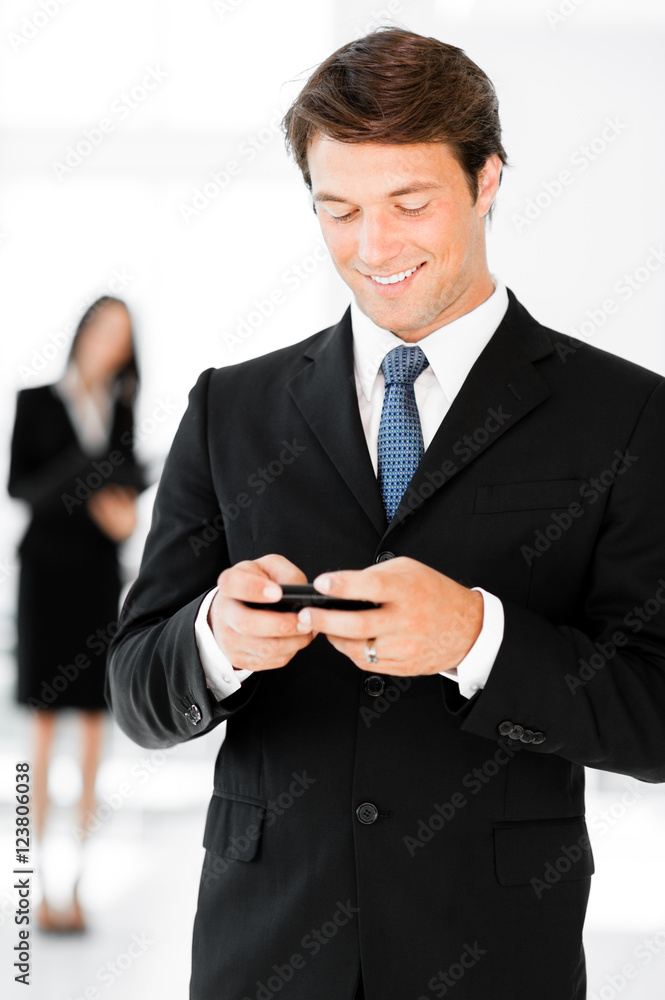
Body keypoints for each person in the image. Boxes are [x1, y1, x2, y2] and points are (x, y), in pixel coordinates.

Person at [106, 28, 665, 1000]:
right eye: (338, 210)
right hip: (263, 952)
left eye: (409, 203)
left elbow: (656, 713)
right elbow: (134, 688)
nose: (372, 248)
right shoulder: (228, 409)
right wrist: (213, 640)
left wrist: (477, 637)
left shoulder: (621, 414)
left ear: (486, 179)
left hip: (492, 956)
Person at [8, 295, 146, 932]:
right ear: (84, 332)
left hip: (95, 583)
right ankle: (31, 887)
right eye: (104, 332)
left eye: (123, 337)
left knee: (93, 728)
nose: (111, 347)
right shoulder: (38, 401)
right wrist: (85, 476)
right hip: (45, 582)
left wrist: (120, 512)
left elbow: (122, 509)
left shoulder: (119, 410)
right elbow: (21, 488)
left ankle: (77, 881)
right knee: (41, 731)